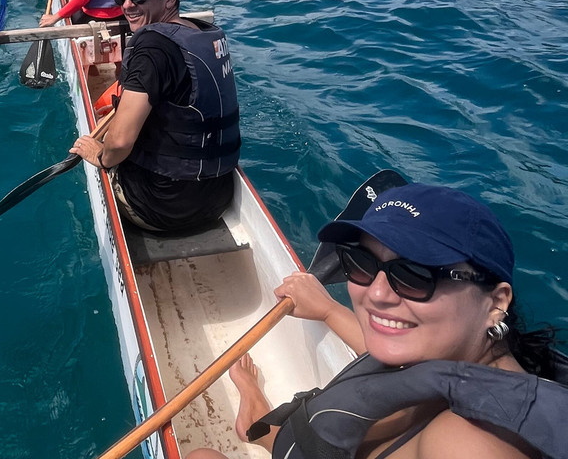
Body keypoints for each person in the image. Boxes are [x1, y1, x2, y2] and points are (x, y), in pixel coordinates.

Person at [188, 183, 567, 459]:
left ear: (496, 302)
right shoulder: (462, 355)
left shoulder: (469, 444)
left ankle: (259, 423)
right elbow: (393, 360)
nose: (378, 293)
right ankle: (261, 424)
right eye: (361, 263)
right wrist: (329, 309)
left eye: (416, 275)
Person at [69, 0, 240, 233]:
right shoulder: (204, 34)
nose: (127, 5)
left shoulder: (151, 48)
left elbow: (120, 142)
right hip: (218, 198)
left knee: (105, 150)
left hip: (159, 208)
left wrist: (100, 155)